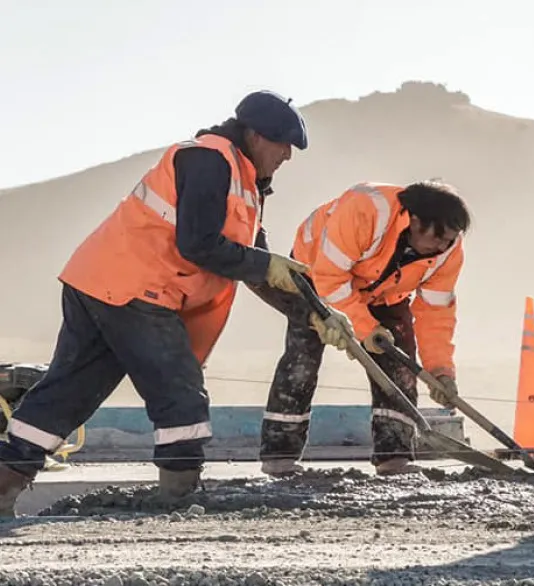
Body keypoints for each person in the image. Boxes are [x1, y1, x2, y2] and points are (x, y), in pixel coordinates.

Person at [0, 90, 312, 517]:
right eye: (283, 145)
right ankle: (179, 496)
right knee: (179, 390)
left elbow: (255, 264)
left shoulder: (244, 182)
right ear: (257, 136)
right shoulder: (209, 159)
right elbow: (199, 244)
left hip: (100, 281)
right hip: (134, 288)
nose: (287, 157)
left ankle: (2, 485)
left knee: (68, 393)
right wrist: (270, 267)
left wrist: (311, 312)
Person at [249, 180, 470, 477]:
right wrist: (366, 329)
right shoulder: (366, 209)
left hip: (384, 292)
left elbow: (436, 314)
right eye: (439, 237)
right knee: (303, 356)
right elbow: (330, 280)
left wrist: (440, 371)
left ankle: (394, 456)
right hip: (315, 274)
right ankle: (280, 455)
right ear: (415, 221)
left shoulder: (448, 251)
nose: (443, 246)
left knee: (400, 363)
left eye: (451, 239)